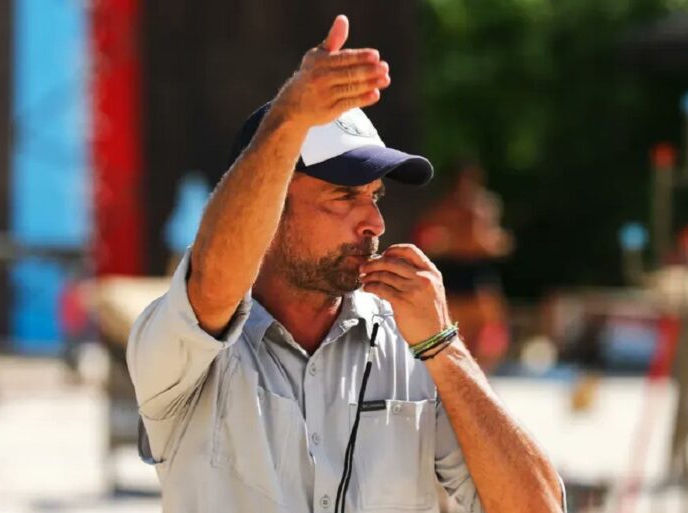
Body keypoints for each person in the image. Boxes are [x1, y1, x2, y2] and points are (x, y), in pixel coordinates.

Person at [126, 15, 565, 513]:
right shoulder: (186, 347)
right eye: (344, 196)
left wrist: (444, 350)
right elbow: (213, 282)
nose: (375, 221)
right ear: (269, 208)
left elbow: (538, 508)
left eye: (374, 196)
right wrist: (290, 116)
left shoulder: (412, 343)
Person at [413, 159, 513, 372]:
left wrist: (491, 243)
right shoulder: (444, 207)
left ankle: (480, 370)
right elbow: (426, 238)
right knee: (454, 322)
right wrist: (448, 243)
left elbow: (494, 239)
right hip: (454, 266)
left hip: (478, 268)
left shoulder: (486, 204)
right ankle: (458, 368)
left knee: (488, 320)